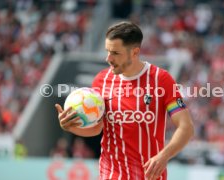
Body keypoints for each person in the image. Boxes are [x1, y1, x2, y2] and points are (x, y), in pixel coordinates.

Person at [55, 21, 194, 180]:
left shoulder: (161, 80)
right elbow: (97, 128)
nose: (108, 58)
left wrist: (164, 156)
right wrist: (70, 126)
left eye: (115, 53)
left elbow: (186, 127)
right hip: (112, 173)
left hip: (150, 175)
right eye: (107, 51)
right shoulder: (101, 80)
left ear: (135, 52)